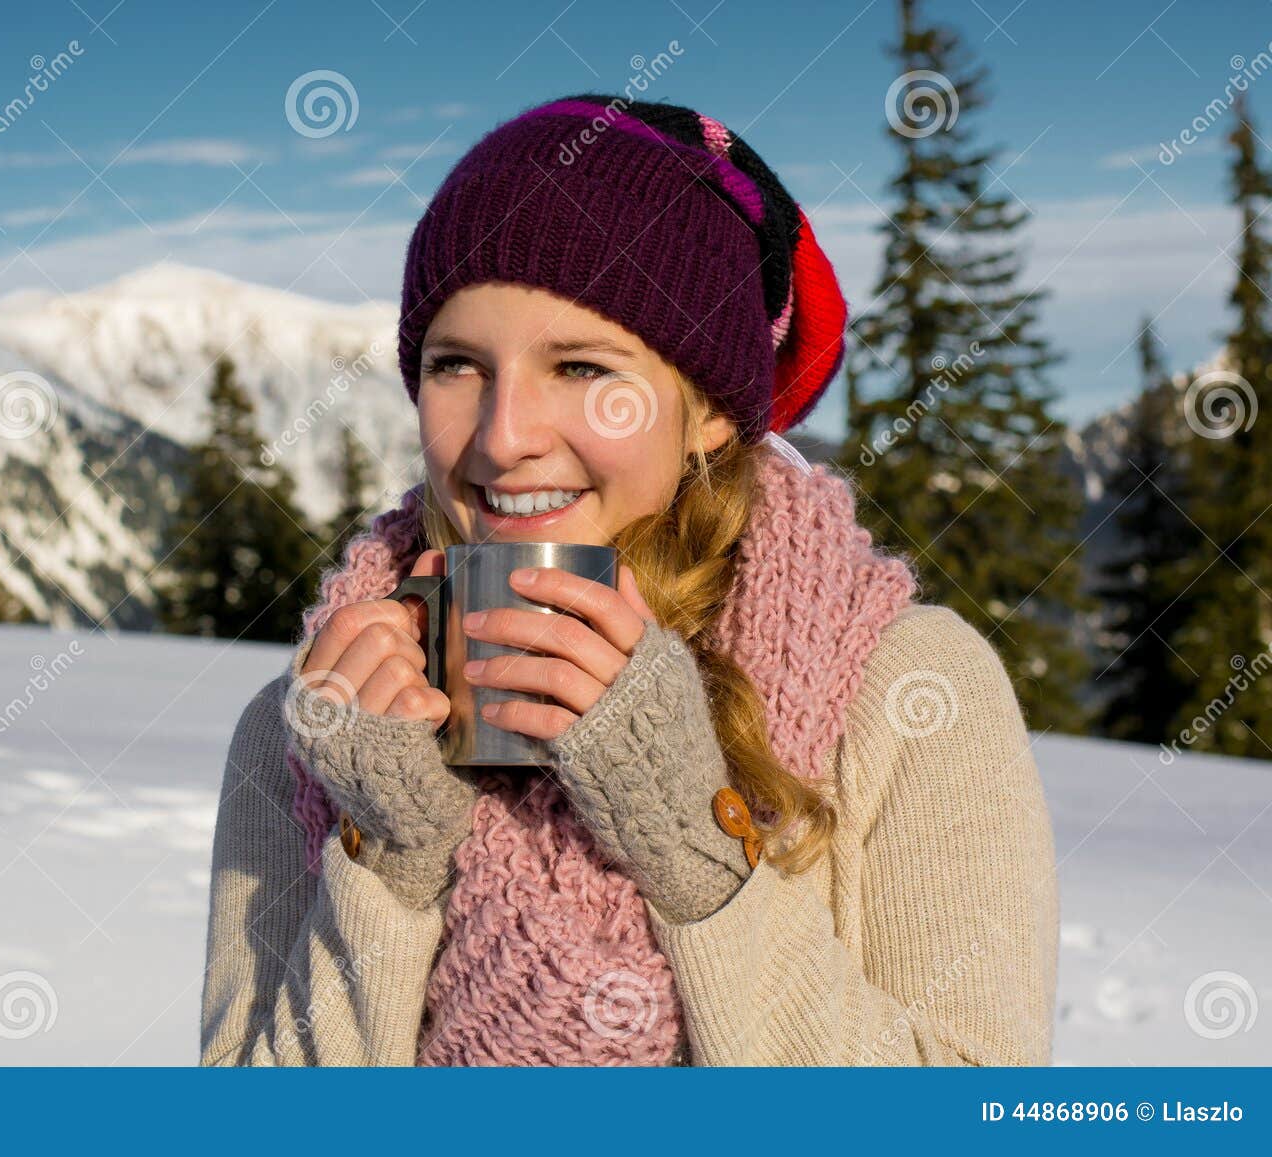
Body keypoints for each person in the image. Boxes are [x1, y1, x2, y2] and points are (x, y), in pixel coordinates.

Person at [197, 93, 1059, 1066]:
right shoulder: (315, 716)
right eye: (455, 365)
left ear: (709, 413)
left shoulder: (905, 688)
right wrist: (386, 858)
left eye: (579, 366)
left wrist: (696, 843)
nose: (503, 435)